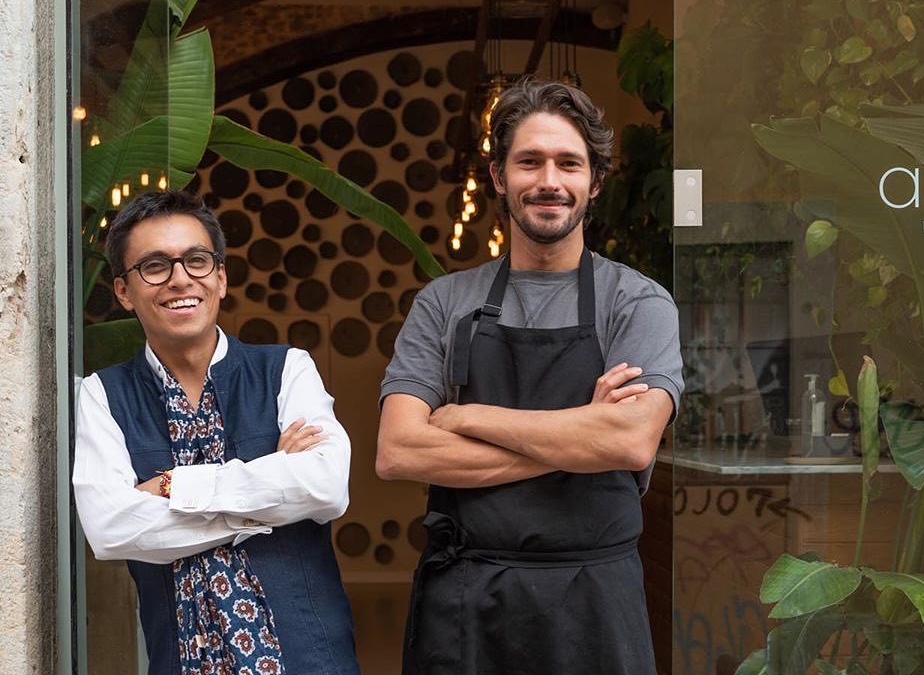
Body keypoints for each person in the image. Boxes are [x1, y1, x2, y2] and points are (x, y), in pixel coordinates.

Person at [377, 79, 684, 675]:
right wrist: (582, 436)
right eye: (529, 162)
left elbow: (627, 441)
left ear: (594, 182)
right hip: (467, 601)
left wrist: (470, 417)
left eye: (569, 163)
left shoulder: (638, 303)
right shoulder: (444, 303)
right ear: (499, 177)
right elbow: (398, 449)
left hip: (595, 600)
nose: (549, 180)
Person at [74, 190, 362, 675]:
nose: (180, 279)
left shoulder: (287, 369)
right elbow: (111, 529)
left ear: (220, 277)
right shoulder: (103, 395)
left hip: (307, 657)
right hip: (181, 661)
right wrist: (263, 505)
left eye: (196, 260)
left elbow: (326, 487)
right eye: (154, 266)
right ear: (123, 291)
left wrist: (174, 486)